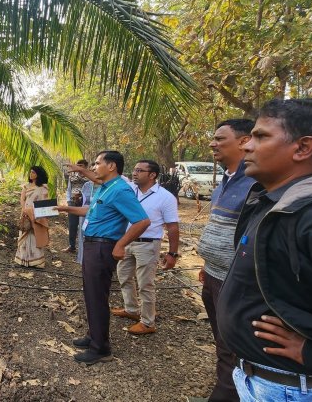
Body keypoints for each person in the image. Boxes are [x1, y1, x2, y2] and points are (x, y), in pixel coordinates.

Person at [216, 99, 312, 401]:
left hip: (293, 389)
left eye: (261, 136)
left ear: (302, 148)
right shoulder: (273, 201)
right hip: (262, 380)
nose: (247, 146)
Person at [56, 150, 150, 365]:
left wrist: (120, 244)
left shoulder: (120, 190)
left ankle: (101, 348)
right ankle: (93, 336)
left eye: (98, 163)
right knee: (91, 294)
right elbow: (91, 211)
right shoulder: (105, 187)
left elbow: (142, 221)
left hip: (102, 247)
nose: (94, 167)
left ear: (112, 166)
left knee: (97, 296)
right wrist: (66, 208)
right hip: (91, 245)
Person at [195, 118, 255, 402]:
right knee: (221, 341)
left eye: (220, 139)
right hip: (214, 274)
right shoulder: (225, 182)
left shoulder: (255, 184)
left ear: (244, 141)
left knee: (233, 346)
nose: (213, 143)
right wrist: (208, 267)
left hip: (235, 280)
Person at [111, 160, 180, 335]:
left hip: (148, 244)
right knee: (124, 276)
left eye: (140, 170)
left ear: (152, 175)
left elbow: (172, 227)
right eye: (134, 170)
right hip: (127, 241)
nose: (135, 173)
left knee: (145, 284)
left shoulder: (165, 197)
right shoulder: (129, 191)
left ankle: (148, 322)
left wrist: (172, 253)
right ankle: (131, 309)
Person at [14, 166, 50, 268]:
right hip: (26, 213)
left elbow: (45, 202)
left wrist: (38, 214)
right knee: (24, 233)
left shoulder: (43, 187)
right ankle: (23, 260)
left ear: (38, 174)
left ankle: (36, 261)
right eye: (30, 172)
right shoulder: (26, 186)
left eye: (33, 172)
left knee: (35, 235)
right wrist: (25, 210)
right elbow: (22, 200)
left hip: (37, 214)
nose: (31, 174)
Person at [64, 159, 89, 253]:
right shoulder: (72, 176)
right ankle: (72, 246)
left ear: (86, 167)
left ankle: (84, 247)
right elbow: (69, 189)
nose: (78, 167)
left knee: (84, 225)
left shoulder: (90, 177)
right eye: (78, 165)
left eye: (81, 166)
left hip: (85, 204)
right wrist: (68, 201)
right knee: (72, 225)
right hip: (73, 203)